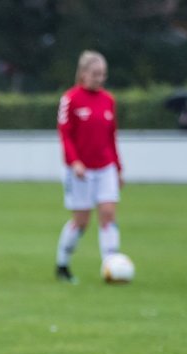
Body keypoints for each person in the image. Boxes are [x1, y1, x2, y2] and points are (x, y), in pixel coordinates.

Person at [54, 51, 122, 284]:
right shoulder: (70, 99)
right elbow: (65, 135)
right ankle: (62, 264)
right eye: (95, 73)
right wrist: (75, 162)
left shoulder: (108, 100)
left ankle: (111, 266)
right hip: (79, 171)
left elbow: (112, 137)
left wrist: (118, 167)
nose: (100, 78)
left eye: (103, 74)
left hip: (105, 168)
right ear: (83, 73)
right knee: (82, 220)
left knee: (108, 214)